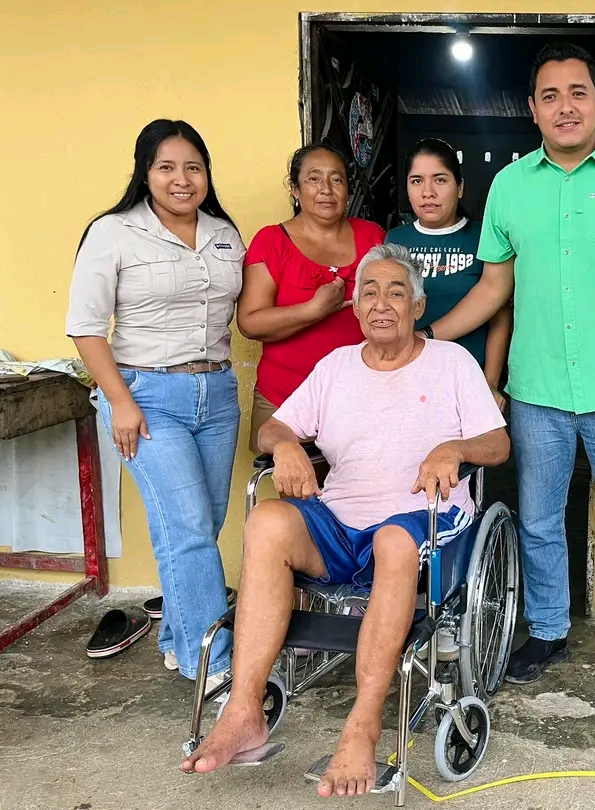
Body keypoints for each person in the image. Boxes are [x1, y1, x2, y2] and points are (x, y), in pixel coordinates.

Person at [179, 243, 509, 796]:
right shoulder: (335, 367)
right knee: (267, 523)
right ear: (355, 309)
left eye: (396, 293)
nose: (381, 304)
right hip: (341, 520)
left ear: (418, 307)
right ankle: (243, 711)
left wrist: (454, 448)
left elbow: (497, 444)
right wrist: (285, 445)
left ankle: (363, 726)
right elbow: (271, 429)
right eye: (369, 293)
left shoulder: (452, 363)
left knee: (394, 541)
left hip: (421, 520)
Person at [420, 42, 595, 706]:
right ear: (533, 109)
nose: (566, 107)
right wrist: (427, 337)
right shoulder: (511, 185)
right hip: (537, 391)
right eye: (550, 96)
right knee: (538, 520)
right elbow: (493, 288)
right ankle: (546, 630)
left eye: (578, 92)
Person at [65, 119, 243, 690]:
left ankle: (175, 638)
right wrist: (119, 401)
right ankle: (212, 663)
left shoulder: (224, 234)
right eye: (166, 167)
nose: (181, 179)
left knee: (198, 525)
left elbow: (246, 312)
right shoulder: (113, 232)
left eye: (193, 167)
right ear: (145, 173)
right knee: (188, 528)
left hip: (217, 394)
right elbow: (86, 327)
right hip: (146, 396)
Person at [236, 143, 386, 452]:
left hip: (362, 398)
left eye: (336, 179)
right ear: (295, 188)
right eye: (314, 179)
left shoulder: (373, 236)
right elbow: (250, 323)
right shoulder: (272, 241)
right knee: (294, 482)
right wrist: (314, 310)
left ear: (348, 189)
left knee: (363, 482)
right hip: (285, 398)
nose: (326, 189)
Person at [386, 138, 511, 409]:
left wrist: (490, 383)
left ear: (460, 187)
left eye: (440, 180)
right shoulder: (395, 241)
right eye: (417, 181)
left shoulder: (484, 237)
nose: (428, 192)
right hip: (409, 379)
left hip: (469, 382)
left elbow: (499, 316)